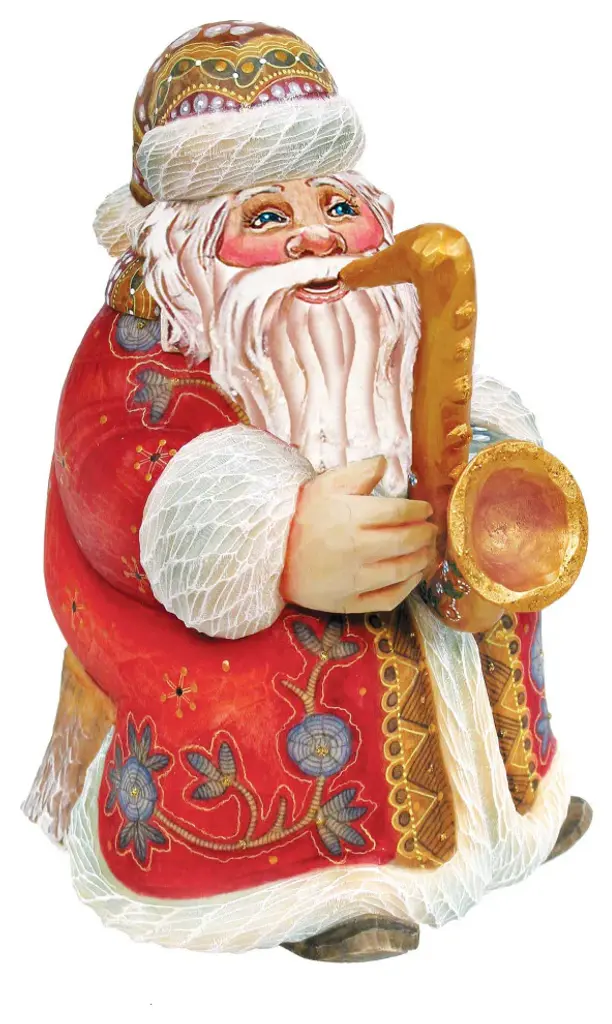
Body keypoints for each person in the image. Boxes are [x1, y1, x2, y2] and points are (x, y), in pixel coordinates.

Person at [25, 20, 591, 961]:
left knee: (494, 604)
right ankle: (318, 886)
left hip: (415, 569)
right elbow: (111, 477)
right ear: (190, 250)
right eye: (265, 220)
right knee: (289, 669)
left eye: (336, 206)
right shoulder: (144, 346)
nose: (317, 237)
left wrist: (480, 469)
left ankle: (510, 812)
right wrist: (273, 538)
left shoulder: (379, 315)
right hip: (229, 622)